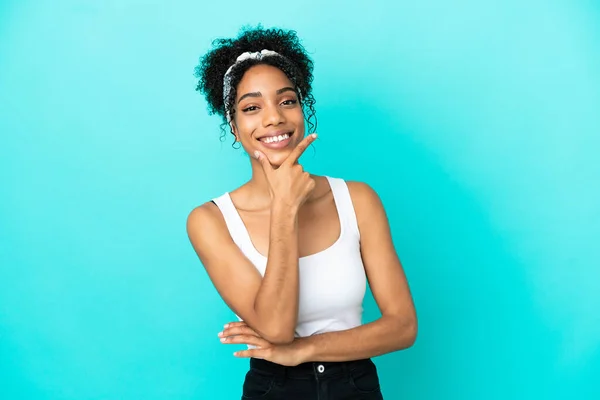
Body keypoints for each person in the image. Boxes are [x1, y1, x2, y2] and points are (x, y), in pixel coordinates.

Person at [187, 25, 417, 400]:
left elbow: (403, 326)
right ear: (233, 126)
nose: (274, 118)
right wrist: (284, 208)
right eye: (251, 107)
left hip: (355, 385)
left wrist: (303, 350)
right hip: (275, 388)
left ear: (302, 110)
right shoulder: (210, 221)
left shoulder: (357, 199)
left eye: (287, 101)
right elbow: (276, 329)